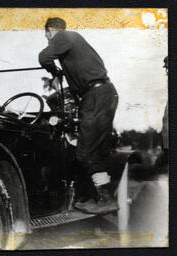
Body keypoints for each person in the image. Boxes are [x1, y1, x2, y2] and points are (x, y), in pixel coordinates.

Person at [38, 17, 119, 214]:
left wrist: (53, 70)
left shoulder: (65, 35)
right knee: (96, 149)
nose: (48, 41)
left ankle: (105, 198)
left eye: (47, 36)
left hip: (95, 96)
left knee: (85, 151)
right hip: (102, 94)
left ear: (50, 31)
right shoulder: (74, 42)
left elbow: (43, 57)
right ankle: (98, 196)